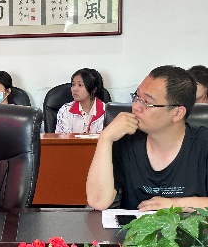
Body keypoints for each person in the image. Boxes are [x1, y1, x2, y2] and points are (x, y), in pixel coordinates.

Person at [86, 65, 208, 211]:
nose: (136, 107)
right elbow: (98, 202)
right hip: (134, 226)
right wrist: (105, 138)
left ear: (178, 113)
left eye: (147, 103)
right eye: (137, 97)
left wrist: (174, 204)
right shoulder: (124, 141)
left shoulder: (203, 144)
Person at [55, 68, 106, 134]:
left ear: (94, 89)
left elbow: (105, 138)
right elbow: (64, 139)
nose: (74, 89)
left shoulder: (106, 112)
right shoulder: (65, 111)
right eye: (73, 84)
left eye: (80, 85)